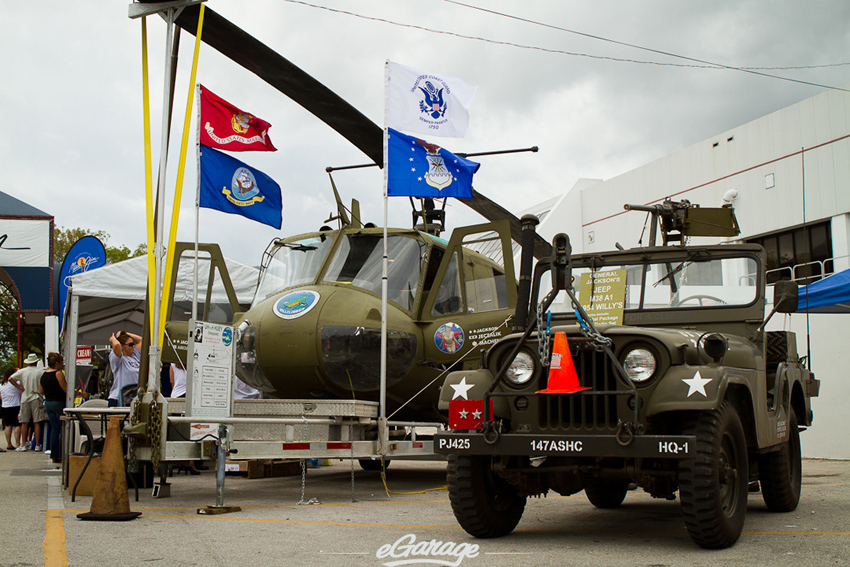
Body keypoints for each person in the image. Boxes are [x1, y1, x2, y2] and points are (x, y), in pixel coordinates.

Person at [11, 353, 46, 451]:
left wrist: (19, 387)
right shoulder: (41, 371)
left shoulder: (22, 371)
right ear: (36, 362)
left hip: (25, 397)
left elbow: (11, 379)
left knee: (24, 422)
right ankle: (38, 444)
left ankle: (23, 444)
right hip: (37, 397)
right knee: (37, 422)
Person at [38, 352, 67, 464]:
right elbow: (65, 388)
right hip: (59, 402)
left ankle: (54, 454)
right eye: (61, 363)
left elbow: (41, 391)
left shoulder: (43, 375)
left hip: (48, 402)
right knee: (63, 428)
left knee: (54, 428)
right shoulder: (58, 373)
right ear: (57, 363)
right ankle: (60, 454)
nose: (62, 365)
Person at [107, 331, 142, 407]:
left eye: (133, 344)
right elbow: (116, 345)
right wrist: (113, 339)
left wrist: (126, 333)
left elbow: (141, 341)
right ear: (122, 346)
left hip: (133, 398)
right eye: (130, 344)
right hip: (118, 398)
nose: (133, 346)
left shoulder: (135, 355)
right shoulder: (118, 359)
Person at [1, 367, 23, 451]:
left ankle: (9, 443)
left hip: (5, 406)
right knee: (17, 425)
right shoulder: (16, 384)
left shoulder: (2, 384)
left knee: (8, 425)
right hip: (16, 405)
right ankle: (17, 443)